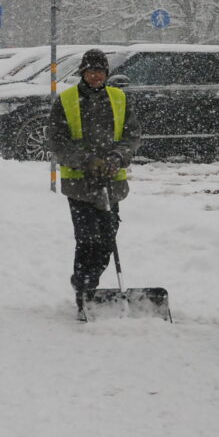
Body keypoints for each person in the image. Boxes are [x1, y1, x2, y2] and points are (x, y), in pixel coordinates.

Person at [45, 48, 142, 318]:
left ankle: (89, 282)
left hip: (112, 185)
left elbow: (132, 135)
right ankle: (84, 290)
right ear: (83, 73)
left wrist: (117, 156)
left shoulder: (119, 98)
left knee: (106, 241)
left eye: (100, 71)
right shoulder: (66, 101)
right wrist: (85, 160)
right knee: (87, 239)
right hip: (80, 186)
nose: (96, 76)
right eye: (91, 71)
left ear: (106, 74)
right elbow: (57, 141)